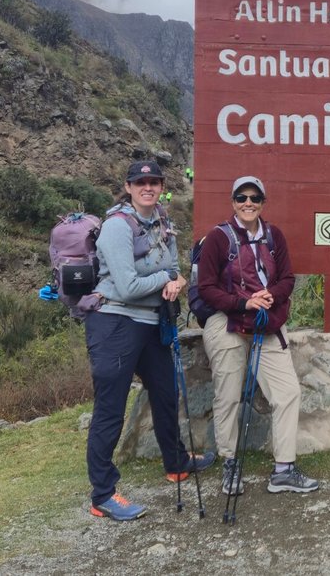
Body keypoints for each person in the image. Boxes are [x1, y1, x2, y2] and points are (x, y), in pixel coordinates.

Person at [82, 160, 215, 521]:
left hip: (152, 322)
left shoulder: (162, 222)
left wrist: (174, 279)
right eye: (140, 181)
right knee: (110, 409)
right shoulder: (115, 227)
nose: (148, 187)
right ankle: (103, 494)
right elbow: (126, 286)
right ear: (128, 186)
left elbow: (173, 267)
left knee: (166, 392)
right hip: (114, 323)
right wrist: (164, 281)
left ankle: (176, 461)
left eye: (154, 181)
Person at [195, 176, 321, 495]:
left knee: (288, 392)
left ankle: (283, 469)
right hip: (228, 322)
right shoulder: (218, 239)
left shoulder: (274, 236)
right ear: (233, 201)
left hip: (267, 322)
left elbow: (287, 278)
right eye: (242, 197)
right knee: (228, 395)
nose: (248, 203)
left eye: (255, 198)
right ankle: (230, 463)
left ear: (263, 202)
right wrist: (243, 302)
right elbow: (207, 288)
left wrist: (268, 296)